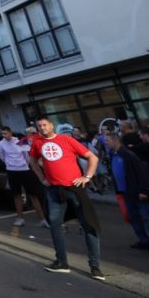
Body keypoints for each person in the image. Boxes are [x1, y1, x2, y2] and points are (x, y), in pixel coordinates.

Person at [29, 115, 104, 280]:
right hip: (55, 191)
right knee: (55, 225)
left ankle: (95, 266)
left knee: (88, 225)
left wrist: (87, 176)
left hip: (75, 188)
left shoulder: (66, 140)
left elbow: (93, 157)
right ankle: (62, 262)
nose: (42, 128)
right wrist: (42, 178)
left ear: (51, 125)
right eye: (39, 126)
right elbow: (33, 161)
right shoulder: (37, 142)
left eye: (44, 125)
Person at [105, 131, 149, 255]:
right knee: (134, 218)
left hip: (137, 191)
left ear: (116, 140)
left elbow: (141, 173)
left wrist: (143, 190)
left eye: (108, 140)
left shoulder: (128, 155)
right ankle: (144, 241)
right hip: (125, 192)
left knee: (147, 218)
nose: (106, 142)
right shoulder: (113, 154)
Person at [0, 126, 47, 228]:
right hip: (12, 171)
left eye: (6, 133)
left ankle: (42, 219)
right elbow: (2, 156)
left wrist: (24, 164)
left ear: (10, 133)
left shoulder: (20, 142)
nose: (4, 136)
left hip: (24, 170)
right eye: (3, 134)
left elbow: (26, 155)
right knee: (17, 194)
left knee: (32, 194)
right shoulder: (0, 144)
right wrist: (10, 164)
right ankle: (20, 218)